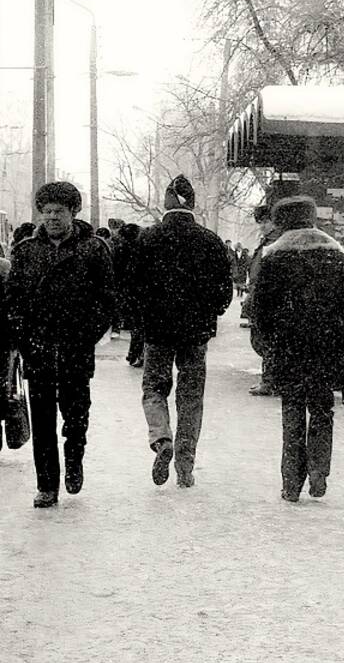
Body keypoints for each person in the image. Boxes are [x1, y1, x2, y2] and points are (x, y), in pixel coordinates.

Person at [5, 181, 115, 507]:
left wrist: (85, 335)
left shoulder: (93, 249)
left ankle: (74, 459)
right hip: (37, 349)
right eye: (47, 211)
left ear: (73, 213)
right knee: (42, 418)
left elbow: (106, 301)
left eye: (59, 212)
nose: (52, 217)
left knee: (76, 413)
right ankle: (47, 485)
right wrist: (23, 337)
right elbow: (13, 301)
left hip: (75, 349)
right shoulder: (26, 251)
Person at [249, 195, 344, 502]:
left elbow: (260, 309)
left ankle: (291, 481)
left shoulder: (273, 256)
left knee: (292, 411)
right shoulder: (334, 253)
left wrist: (268, 344)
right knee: (322, 409)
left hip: (289, 349)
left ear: (283, 221)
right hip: (326, 347)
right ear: (312, 218)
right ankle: (318, 470)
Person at [131, 175, 233, 488]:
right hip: (196, 332)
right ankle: (185, 467)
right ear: (193, 203)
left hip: (158, 331)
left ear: (168, 201)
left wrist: (144, 316)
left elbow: (133, 287)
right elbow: (224, 291)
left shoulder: (147, 238)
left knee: (154, 389)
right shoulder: (211, 240)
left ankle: (162, 439)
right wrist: (207, 314)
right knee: (191, 398)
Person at [244, 204, 283, 397]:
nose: (262, 226)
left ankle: (270, 381)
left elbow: (265, 273)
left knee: (268, 342)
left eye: (264, 222)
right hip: (263, 297)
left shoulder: (274, 241)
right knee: (266, 341)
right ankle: (270, 379)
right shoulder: (269, 240)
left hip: (267, 300)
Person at [112, 222, 145, 367]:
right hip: (140, 291)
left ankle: (134, 354)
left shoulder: (119, 249)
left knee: (136, 325)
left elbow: (115, 271)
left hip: (126, 291)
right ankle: (137, 353)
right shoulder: (142, 249)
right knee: (139, 325)